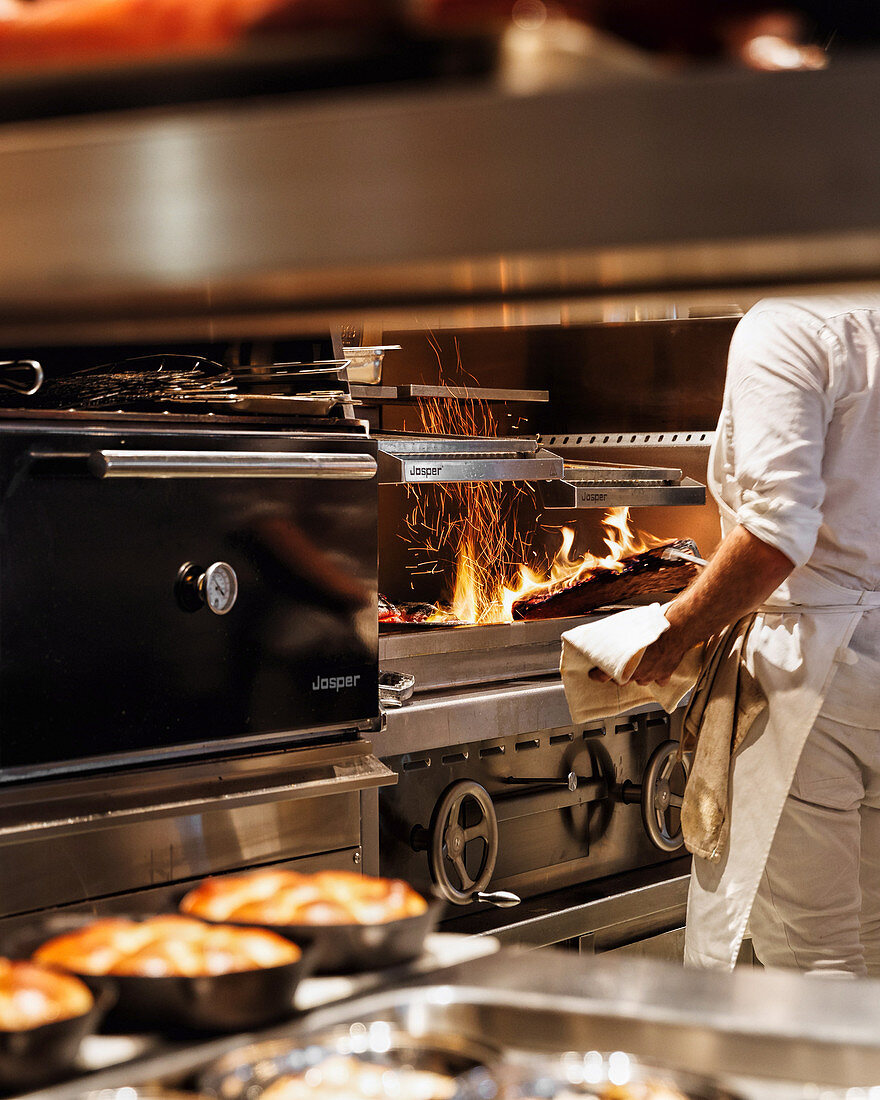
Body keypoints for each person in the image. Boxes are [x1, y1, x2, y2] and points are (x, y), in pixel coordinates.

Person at [594, 294, 880, 977]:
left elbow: (777, 535)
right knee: (871, 945)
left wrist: (673, 631)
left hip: (811, 669)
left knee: (811, 961)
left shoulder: (784, 324)